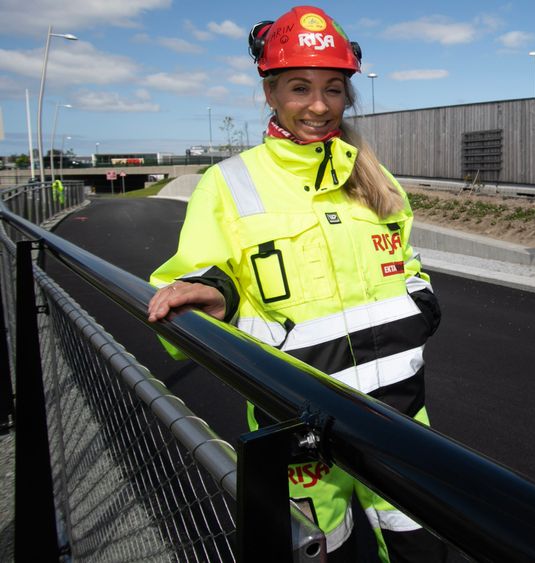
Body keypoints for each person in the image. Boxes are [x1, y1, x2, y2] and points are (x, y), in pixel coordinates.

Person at [147, 6, 446, 561]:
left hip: (401, 419)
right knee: (323, 552)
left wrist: (419, 307)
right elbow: (199, 275)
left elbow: (411, 266)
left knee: (421, 550)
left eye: (333, 88)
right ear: (270, 92)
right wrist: (215, 296)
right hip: (298, 425)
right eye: (300, 87)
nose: (318, 104)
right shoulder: (228, 185)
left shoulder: (376, 179)